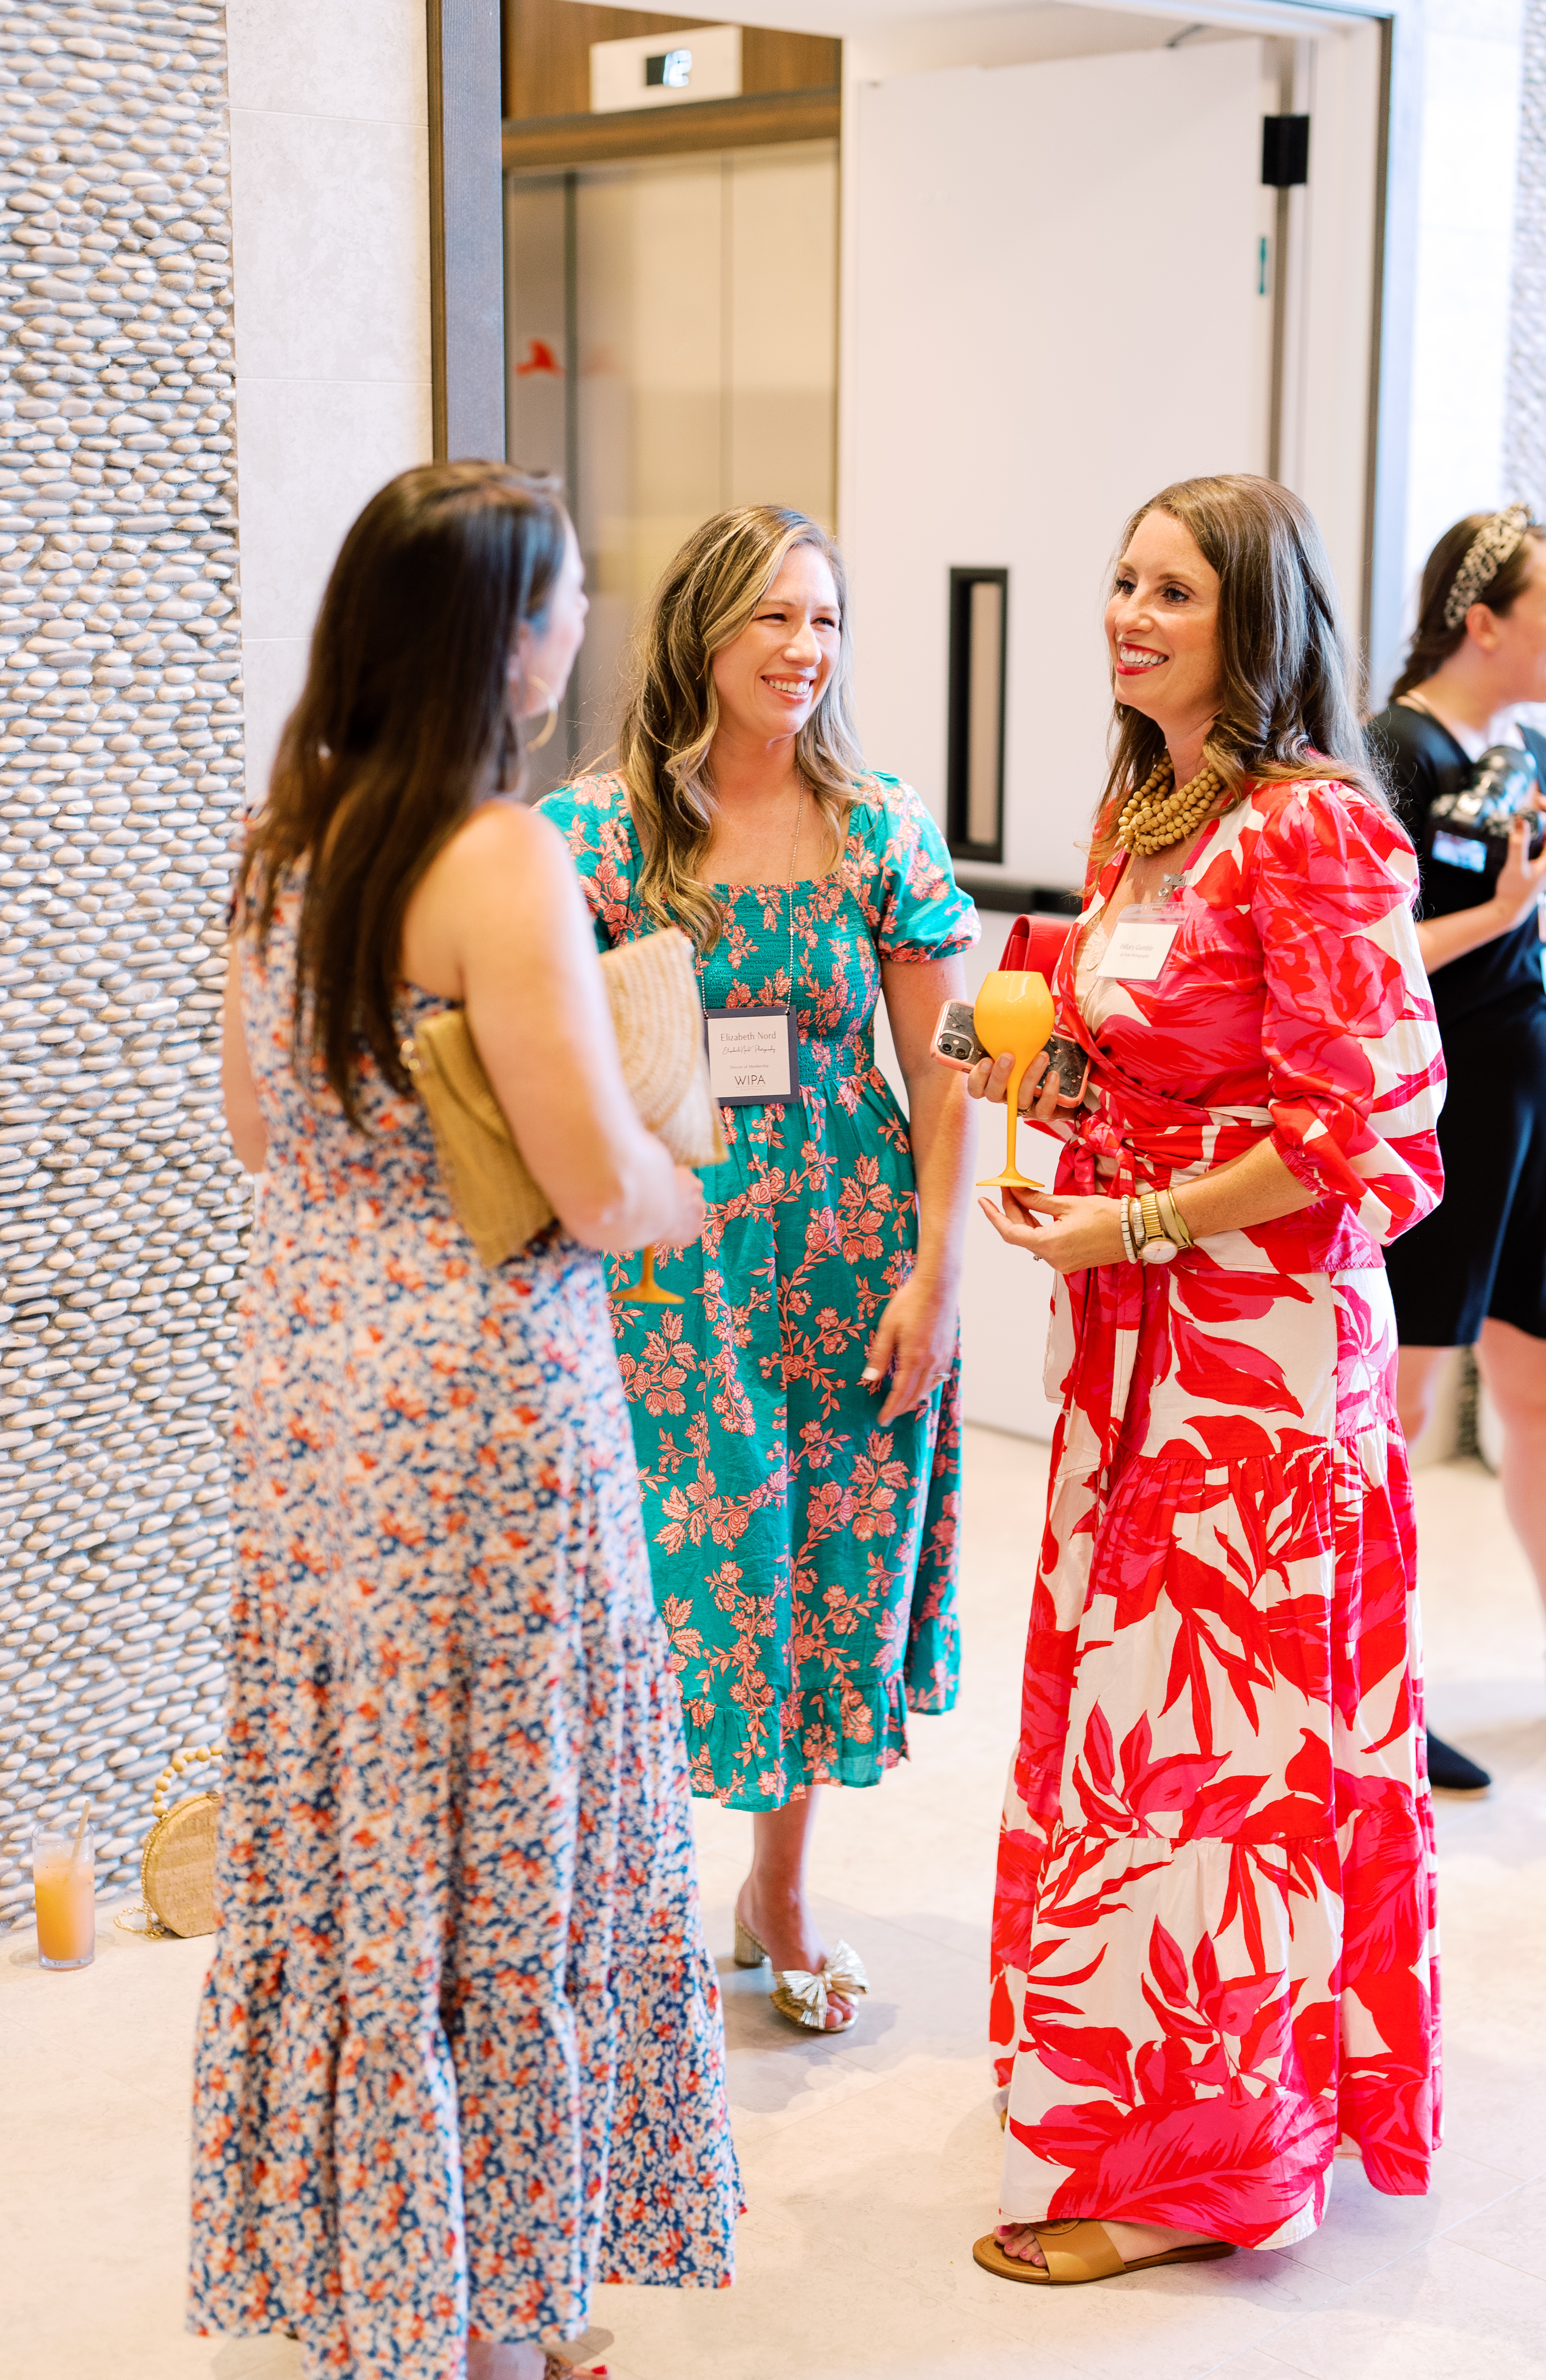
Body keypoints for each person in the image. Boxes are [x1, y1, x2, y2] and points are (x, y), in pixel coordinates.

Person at [191, 461, 741, 2380]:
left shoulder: (287, 836)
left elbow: (268, 1133)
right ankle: (499, 2315)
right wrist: (697, 1176)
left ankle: (383, 2285)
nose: (584, 625)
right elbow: (596, 1187)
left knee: (363, 1819)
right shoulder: (496, 855)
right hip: (486, 1394)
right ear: (507, 638)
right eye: (570, 597)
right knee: (509, 1825)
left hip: (314, 1373)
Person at [970, 475, 1444, 2286]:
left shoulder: (1311, 830)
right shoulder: (1148, 815)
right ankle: (1119, 2095)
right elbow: (1149, 1057)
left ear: (1259, 619)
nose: (1127, 613)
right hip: (1132, 1345)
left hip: (1255, 1362)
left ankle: (1209, 2171)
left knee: (1218, 1761)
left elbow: (1362, 1131)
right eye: (1121, 580)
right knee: (1127, 1724)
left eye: (1173, 589)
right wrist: (1064, 1129)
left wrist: (1144, 1221)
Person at [543, 506, 977, 2034]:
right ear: (700, 634)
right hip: (673, 1260)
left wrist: (942, 1271)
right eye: (773, 619)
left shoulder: (877, 824)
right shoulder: (590, 836)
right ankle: (635, 1894)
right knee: (676, 1571)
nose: (804, 651)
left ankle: (778, 1890)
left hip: (854, 1244)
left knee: (818, 1573)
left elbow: (943, 1073)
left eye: (826, 622)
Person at [1369, 506, 1546, 1798]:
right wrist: (1495, 915)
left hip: (1527, 1109)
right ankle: (1386, 1693)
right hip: (1450, 1116)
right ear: (1484, 622)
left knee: (1535, 1392)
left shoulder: (1521, 741)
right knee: (1407, 1414)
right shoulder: (1395, 753)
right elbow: (1365, 959)